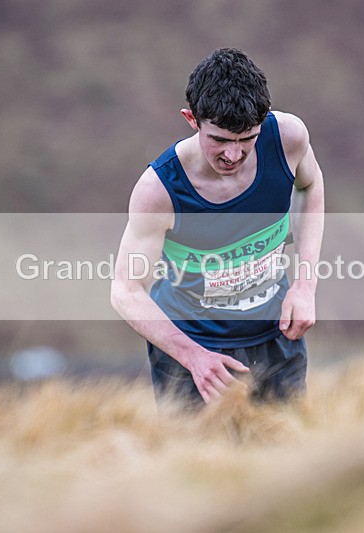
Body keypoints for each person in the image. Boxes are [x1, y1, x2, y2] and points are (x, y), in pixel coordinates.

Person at [110, 48, 324, 408]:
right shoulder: (159, 190)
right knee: (192, 463)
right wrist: (193, 356)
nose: (233, 155)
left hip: (276, 336)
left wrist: (304, 286)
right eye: (220, 140)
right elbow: (126, 291)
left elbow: (311, 185)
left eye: (247, 139)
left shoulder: (288, 138)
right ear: (192, 119)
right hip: (191, 350)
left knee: (288, 456)